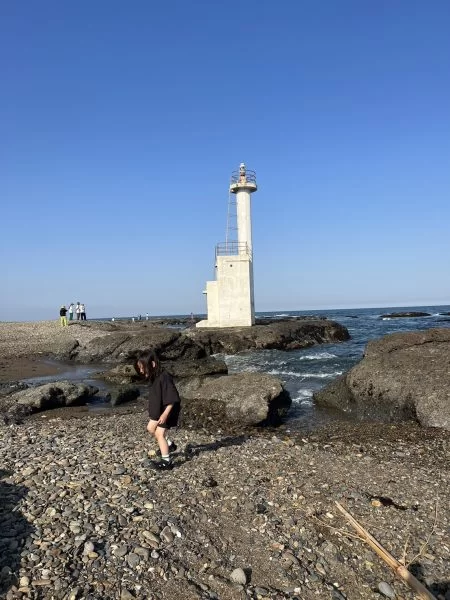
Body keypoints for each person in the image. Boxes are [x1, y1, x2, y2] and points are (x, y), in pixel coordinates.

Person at [134, 350, 181, 470]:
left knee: (160, 434)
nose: (141, 371)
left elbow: (172, 398)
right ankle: (169, 445)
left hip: (167, 410)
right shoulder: (154, 376)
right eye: (140, 368)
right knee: (150, 428)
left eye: (143, 367)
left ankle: (166, 461)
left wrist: (165, 414)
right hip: (159, 409)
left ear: (153, 364)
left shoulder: (164, 377)